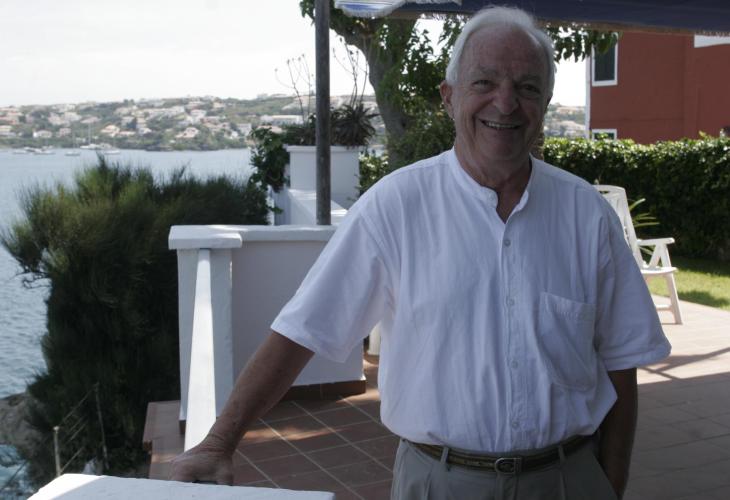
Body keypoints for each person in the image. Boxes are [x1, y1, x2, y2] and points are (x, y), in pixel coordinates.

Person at [169, 6, 671, 499]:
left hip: (566, 479)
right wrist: (218, 443)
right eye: (484, 82)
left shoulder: (586, 214)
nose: (505, 103)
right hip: (438, 483)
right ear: (449, 97)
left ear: (545, 102)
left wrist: (610, 484)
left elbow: (621, 360)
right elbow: (302, 332)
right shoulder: (394, 206)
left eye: (527, 87)